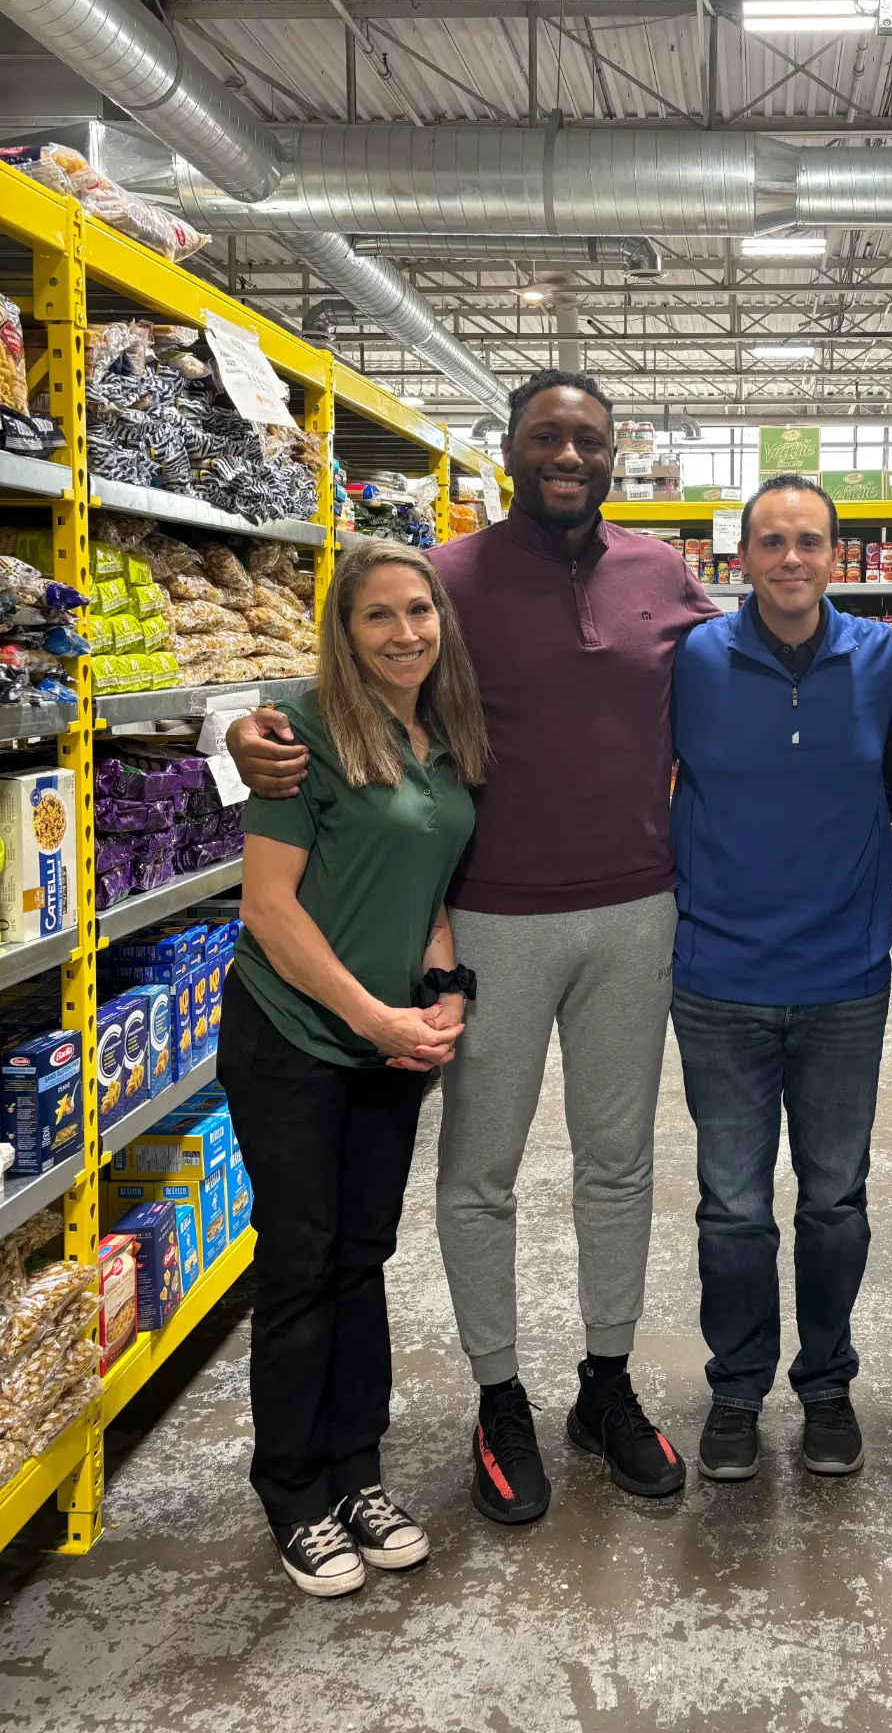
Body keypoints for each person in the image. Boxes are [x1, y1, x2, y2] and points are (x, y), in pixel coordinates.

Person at [227, 370, 718, 1529]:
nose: (568, 453)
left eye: (588, 437)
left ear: (614, 451)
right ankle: (499, 1398)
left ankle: (606, 1382)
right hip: (489, 915)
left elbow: (747, 667)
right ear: (508, 450)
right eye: (545, 435)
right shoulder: (442, 576)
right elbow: (339, 680)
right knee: (477, 1172)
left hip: (635, 911)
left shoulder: (663, 572)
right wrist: (242, 730)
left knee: (619, 1161)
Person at [219, 540, 487, 1598]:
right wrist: (373, 1016)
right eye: (378, 615)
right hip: (295, 1033)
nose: (405, 632)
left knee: (363, 1254)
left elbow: (427, 884)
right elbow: (268, 907)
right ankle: (293, 1491)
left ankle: (356, 1470)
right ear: (343, 629)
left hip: (389, 1041)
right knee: (301, 1259)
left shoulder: (444, 737)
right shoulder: (298, 733)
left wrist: (445, 984)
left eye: (419, 610)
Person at [670, 475, 892, 1484]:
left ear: (834, 554)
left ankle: (826, 1384)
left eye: (809, 540)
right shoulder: (692, 657)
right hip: (719, 975)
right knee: (732, 1204)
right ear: (742, 558)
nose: (790, 558)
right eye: (771, 541)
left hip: (844, 977)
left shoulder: (882, 659)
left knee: (834, 1200)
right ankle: (737, 1389)